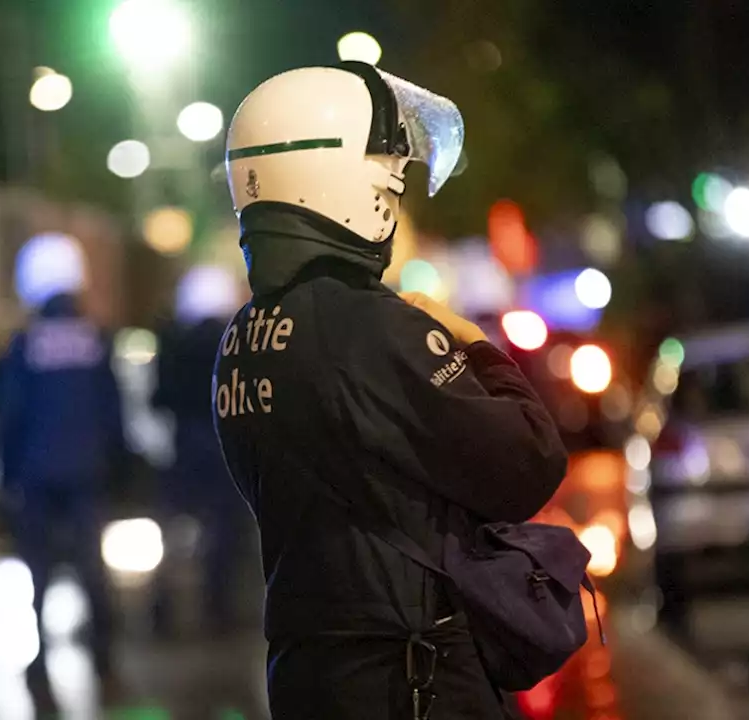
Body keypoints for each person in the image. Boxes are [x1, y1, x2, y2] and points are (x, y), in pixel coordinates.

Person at [214, 63, 569, 719]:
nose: (394, 201)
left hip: (307, 672)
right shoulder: (368, 326)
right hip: (413, 681)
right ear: (342, 181)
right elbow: (529, 463)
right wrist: (475, 344)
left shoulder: (244, 335)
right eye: (389, 180)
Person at [0, 233, 126, 691]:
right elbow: (113, 411)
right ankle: (105, 662)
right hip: (88, 471)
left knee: (40, 570)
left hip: (36, 474)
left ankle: (40, 667)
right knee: (93, 567)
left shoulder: (25, 342)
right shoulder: (97, 337)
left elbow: (10, 415)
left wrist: (5, 473)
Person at [152, 265, 251, 636]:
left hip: (183, 448)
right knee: (224, 530)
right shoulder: (233, 341)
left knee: (174, 529)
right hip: (223, 449)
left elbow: (159, 397)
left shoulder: (173, 340)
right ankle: (218, 607)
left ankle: (162, 607)